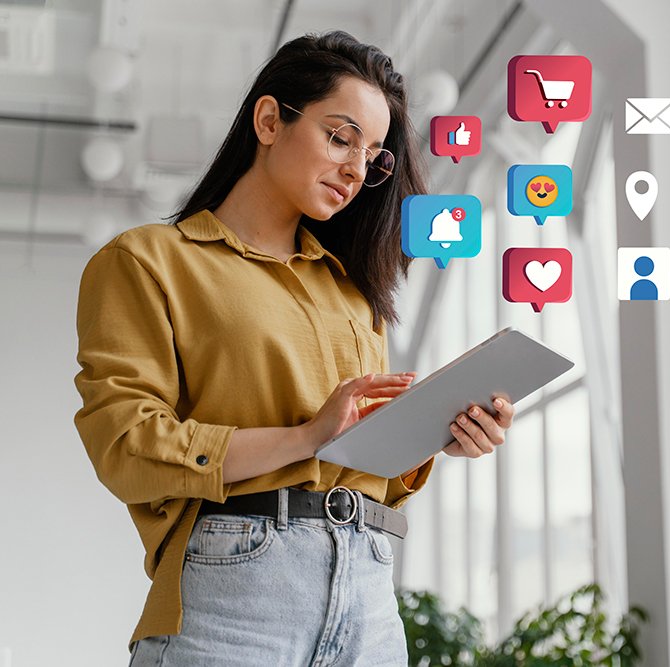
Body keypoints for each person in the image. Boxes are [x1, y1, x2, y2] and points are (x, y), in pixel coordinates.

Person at [73, 31, 515, 666]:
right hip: (234, 596)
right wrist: (305, 437)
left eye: (373, 156)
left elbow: (366, 469)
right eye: (340, 138)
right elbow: (124, 445)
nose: (357, 169)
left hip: (370, 593)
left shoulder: (353, 292)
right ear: (270, 119)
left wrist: (436, 434)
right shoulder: (147, 262)